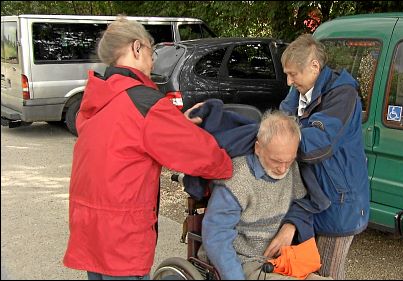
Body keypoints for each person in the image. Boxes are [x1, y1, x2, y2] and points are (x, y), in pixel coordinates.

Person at [62, 16, 232, 280]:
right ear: (136, 48)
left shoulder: (99, 96)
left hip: (90, 225)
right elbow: (200, 153)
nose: (154, 60)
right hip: (120, 233)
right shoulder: (143, 102)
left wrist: (175, 123)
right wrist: (229, 166)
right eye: (152, 51)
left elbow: (124, 137)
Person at [276, 34, 370, 279]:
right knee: (305, 268)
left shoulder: (343, 95)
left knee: (327, 274)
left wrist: (275, 140)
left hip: (340, 201)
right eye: (286, 74)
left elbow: (315, 145)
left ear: (314, 66)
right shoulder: (299, 91)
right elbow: (280, 122)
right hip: (313, 196)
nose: (289, 81)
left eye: (293, 74)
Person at [202, 110, 330, 280]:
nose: (283, 169)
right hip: (245, 261)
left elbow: (302, 204)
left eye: (289, 160)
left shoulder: (292, 169)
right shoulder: (237, 179)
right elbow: (216, 235)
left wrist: (291, 225)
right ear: (258, 148)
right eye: (276, 161)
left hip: (282, 259)